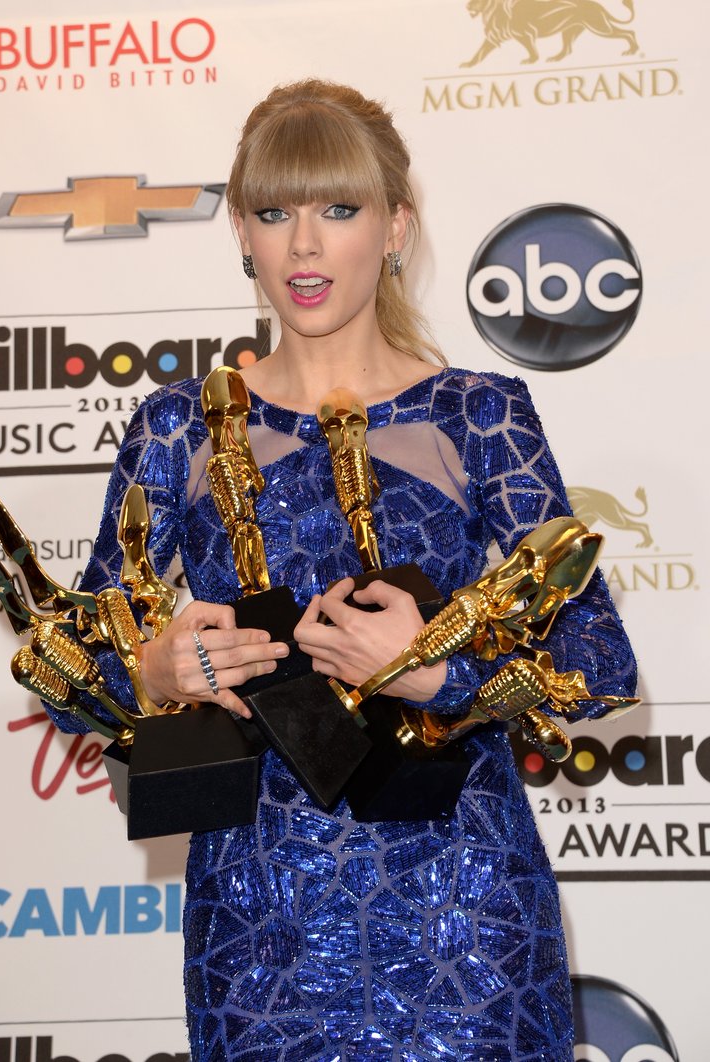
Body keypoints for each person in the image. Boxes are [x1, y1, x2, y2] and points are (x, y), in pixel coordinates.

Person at [59, 80, 636, 1061]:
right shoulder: (178, 427)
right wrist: (154, 672)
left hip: (467, 909)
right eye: (275, 212)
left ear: (396, 226)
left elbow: (599, 659)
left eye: (338, 209)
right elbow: (72, 666)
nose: (305, 245)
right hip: (260, 919)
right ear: (241, 230)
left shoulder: (475, 414)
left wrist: (444, 669)